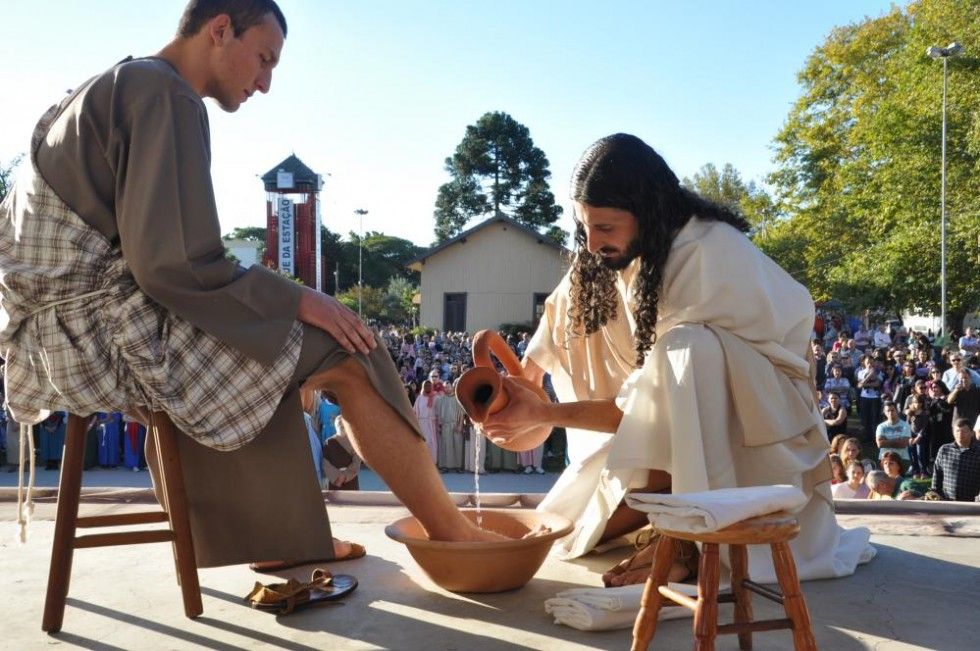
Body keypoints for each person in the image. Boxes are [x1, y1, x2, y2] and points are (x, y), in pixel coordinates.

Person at [0, 0, 499, 570]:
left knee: (281, 352)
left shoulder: (110, 83)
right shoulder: (166, 94)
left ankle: (280, 537)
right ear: (218, 31)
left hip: (53, 338)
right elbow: (174, 265)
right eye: (263, 60)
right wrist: (299, 298)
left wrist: (280, 313)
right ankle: (452, 533)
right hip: (102, 338)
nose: (264, 84)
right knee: (351, 347)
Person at [482, 133, 872, 586]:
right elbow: (549, 338)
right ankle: (663, 522)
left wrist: (546, 413)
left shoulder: (708, 253)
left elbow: (655, 401)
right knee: (573, 528)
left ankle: (682, 543)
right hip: (674, 429)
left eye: (605, 228)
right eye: (584, 226)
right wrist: (515, 394)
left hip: (760, 430)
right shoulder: (608, 254)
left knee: (688, 348)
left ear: (647, 212)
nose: (591, 243)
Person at [931, 419, 980, 502]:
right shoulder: (944, 450)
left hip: (971, 502)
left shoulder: (978, 452)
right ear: (953, 432)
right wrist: (934, 494)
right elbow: (937, 474)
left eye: (964, 431)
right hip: (946, 501)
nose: (960, 434)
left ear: (972, 433)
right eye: (957, 431)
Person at [435, 381, 466, 472]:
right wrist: (439, 425)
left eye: (448, 387)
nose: (447, 389)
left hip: (455, 424)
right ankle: (446, 466)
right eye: (445, 387)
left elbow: (461, 414)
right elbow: (439, 414)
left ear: (452, 387)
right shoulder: (441, 399)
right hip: (445, 425)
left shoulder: (458, 399)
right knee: (446, 446)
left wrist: (460, 425)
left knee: (457, 445)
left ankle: (458, 466)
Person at [875, 402, 911, 470]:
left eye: (892, 410)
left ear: (897, 411)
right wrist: (897, 440)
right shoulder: (881, 426)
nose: (890, 413)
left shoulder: (905, 425)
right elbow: (880, 444)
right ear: (884, 412)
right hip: (884, 458)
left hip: (902, 459)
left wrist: (886, 441)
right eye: (888, 411)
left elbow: (903, 444)